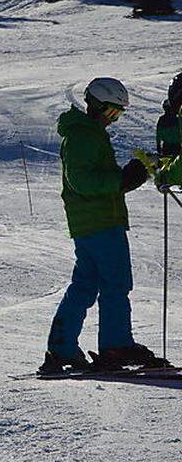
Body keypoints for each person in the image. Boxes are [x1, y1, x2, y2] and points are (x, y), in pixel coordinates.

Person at [39, 77, 161, 374]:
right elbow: (82, 181)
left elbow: (93, 177)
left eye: (117, 114)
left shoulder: (87, 133)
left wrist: (132, 174)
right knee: (116, 283)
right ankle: (116, 346)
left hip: (90, 222)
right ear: (95, 105)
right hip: (101, 222)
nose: (113, 119)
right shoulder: (83, 136)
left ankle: (61, 348)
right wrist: (122, 180)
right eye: (111, 113)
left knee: (85, 285)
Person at [158, 73, 182, 156]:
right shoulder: (177, 119)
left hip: (168, 145)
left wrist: (158, 146)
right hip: (174, 145)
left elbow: (158, 133)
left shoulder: (163, 119)